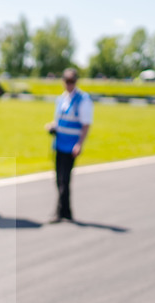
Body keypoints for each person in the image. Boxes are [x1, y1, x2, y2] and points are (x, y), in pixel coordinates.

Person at [45, 68, 93, 223]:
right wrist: (52, 126)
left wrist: (79, 144)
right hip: (59, 143)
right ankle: (66, 211)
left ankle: (61, 212)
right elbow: (59, 121)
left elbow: (85, 125)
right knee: (58, 179)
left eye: (71, 81)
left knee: (65, 180)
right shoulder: (61, 99)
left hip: (71, 145)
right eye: (66, 81)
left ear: (76, 82)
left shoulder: (83, 99)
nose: (69, 84)